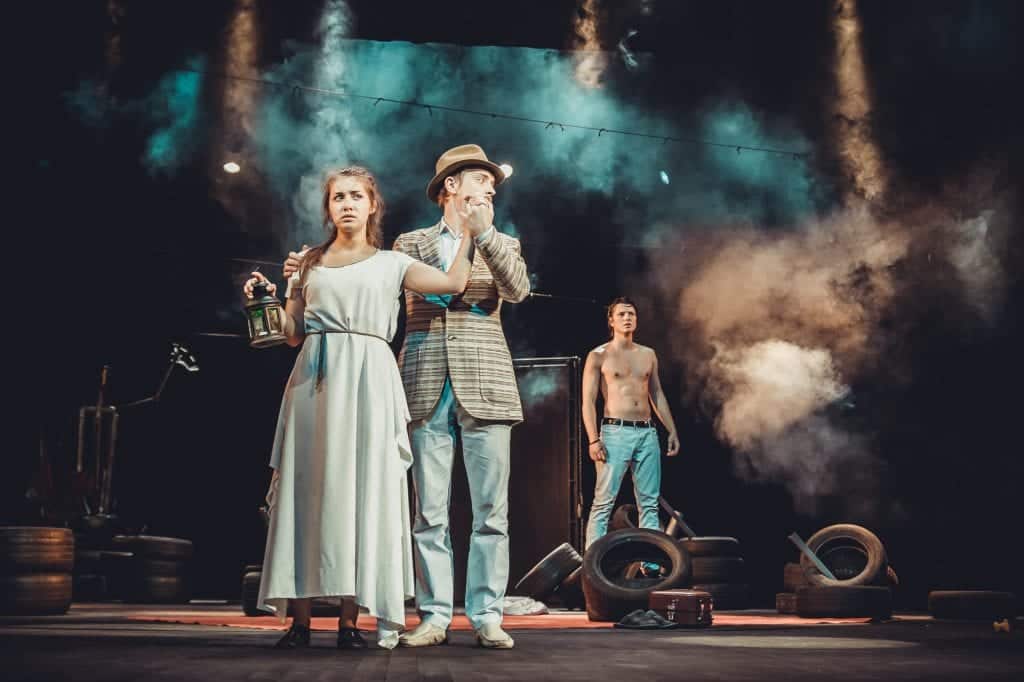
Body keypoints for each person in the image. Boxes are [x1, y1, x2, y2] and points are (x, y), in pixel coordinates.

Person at [283, 144, 529, 649]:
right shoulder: (408, 244)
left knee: (491, 512)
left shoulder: (504, 241)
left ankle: (486, 615)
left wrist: (481, 233)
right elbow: (437, 290)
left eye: (491, 182)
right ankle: (435, 615)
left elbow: (517, 289)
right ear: (451, 187)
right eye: (480, 180)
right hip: (423, 379)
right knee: (429, 512)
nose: (489, 188)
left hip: (486, 383)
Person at [243, 166, 475, 651]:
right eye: (337, 197)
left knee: (362, 490)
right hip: (315, 380)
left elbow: (454, 282)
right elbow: (291, 332)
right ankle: (300, 620)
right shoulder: (307, 263)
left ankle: (351, 620)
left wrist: (470, 230)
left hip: (370, 379)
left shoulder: (392, 263)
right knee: (308, 491)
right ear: (328, 208)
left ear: (372, 205)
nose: (346, 204)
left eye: (356, 196)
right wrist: (264, 297)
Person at [582, 297, 680, 550]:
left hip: (646, 432)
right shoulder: (598, 355)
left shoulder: (648, 354)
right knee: (604, 500)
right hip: (614, 432)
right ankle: (593, 562)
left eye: (632, 314)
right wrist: (593, 439)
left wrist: (671, 429)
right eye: (622, 314)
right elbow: (588, 401)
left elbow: (657, 393)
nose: (628, 318)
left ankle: (650, 562)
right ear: (611, 320)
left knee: (648, 502)